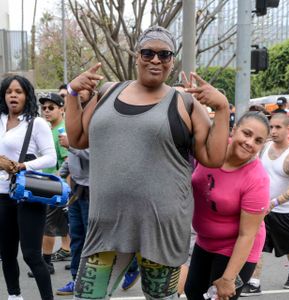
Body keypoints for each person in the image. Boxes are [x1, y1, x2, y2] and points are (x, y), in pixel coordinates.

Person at [65, 25, 229, 300]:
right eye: (148, 52)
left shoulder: (184, 102)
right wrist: (72, 93)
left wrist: (222, 108)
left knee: (160, 298)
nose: (155, 60)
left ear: (172, 61)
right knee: (87, 296)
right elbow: (78, 138)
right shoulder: (108, 91)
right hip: (106, 225)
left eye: (164, 54)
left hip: (160, 228)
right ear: (137, 56)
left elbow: (212, 157)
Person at [185, 111, 271, 300]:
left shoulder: (257, 179)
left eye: (258, 140)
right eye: (247, 134)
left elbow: (247, 235)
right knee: (193, 293)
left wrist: (228, 278)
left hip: (236, 248)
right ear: (234, 130)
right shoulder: (213, 150)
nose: (250, 143)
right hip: (205, 241)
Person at [0, 75, 57, 300]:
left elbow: (51, 158)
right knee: (6, 253)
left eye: (19, 91)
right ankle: (15, 296)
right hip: (2, 195)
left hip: (28, 194)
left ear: (27, 96)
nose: (13, 95)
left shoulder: (37, 123)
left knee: (32, 255)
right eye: (9, 91)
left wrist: (22, 165)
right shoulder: (0, 120)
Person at [241, 113, 289, 296]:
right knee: (257, 245)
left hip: (287, 212)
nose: (273, 131)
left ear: (287, 129)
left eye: (277, 127)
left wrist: (273, 202)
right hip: (262, 210)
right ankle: (254, 282)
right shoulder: (265, 147)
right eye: (271, 127)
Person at [27, 92, 70, 278]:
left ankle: (46, 263)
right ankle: (69, 252)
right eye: (43, 108)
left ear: (62, 109)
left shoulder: (61, 131)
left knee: (47, 226)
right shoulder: (49, 128)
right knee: (62, 225)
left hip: (54, 186)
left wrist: (66, 192)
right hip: (47, 185)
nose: (46, 111)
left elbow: (68, 162)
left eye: (51, 107)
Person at [56, 89, 92, 296]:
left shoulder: (96, 119)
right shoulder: (73, 120)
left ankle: (91, 282)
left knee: (91, 239)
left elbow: (98, 153)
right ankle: (76, 280)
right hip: (76, 190)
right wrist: (62, 173)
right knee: (77, 237)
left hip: (93, 190)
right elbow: (74, 157)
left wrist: (71, 146)